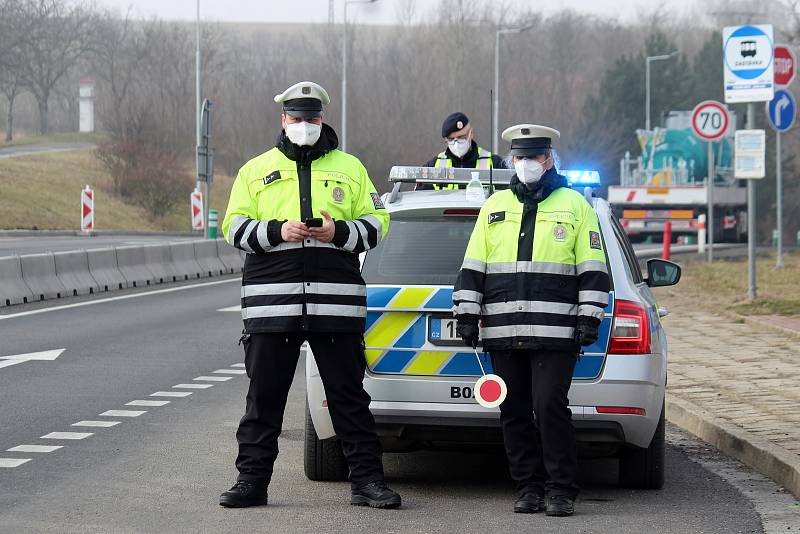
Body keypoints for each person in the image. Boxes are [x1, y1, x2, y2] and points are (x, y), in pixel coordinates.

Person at [219, 81, 401, 510]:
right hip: (272, 306)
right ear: (283, 120)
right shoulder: (254, 170)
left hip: (335, 305)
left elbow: (379, 224)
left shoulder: (351, 168)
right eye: (297, 118)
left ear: (323, 119)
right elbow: (233, 227)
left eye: (312, 117)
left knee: (349, 399)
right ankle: (251, 483)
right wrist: (275, 231)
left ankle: (368, 482)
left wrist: (338, 231)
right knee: (263, 400)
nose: (305, 125)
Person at [452, 124, 610, 517]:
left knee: (549, 406)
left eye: (535, 157)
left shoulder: (575, 205)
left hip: (556, 333)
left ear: (549, 159)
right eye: (520, 158)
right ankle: (528, 487)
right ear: (511, 161)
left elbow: (593, 269)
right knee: (515, 410)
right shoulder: (494, 206)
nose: (527, 164)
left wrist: (589, 318)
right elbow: (473, 267)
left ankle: (561, 489)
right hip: (503, 331)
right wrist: (466, 314)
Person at [417, 112, 506, 190]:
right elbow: (421, 199)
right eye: (451, 139)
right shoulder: (433, 166)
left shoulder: (495, 164)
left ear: (471, 134)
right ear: (446, 140)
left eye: (461, 137)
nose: (457, 143)